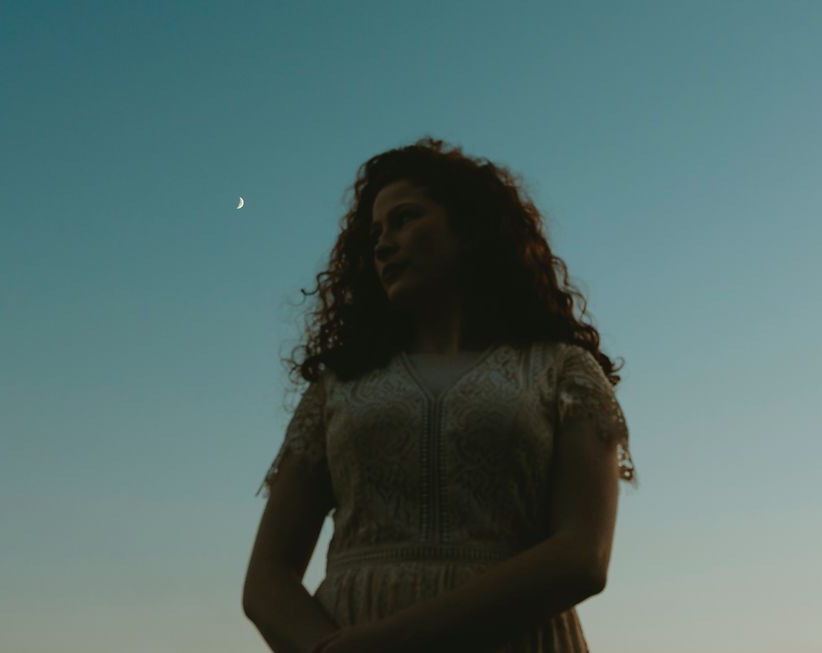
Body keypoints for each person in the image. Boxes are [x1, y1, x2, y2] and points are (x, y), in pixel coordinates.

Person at [242, 137, 637, 653]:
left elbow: (582, 557)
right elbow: (267, 575)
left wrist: (390, 641)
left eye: (405, 219)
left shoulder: (563, 370)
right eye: (375, 233)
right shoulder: (337, 387)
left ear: (472, 231)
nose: (383, 244)